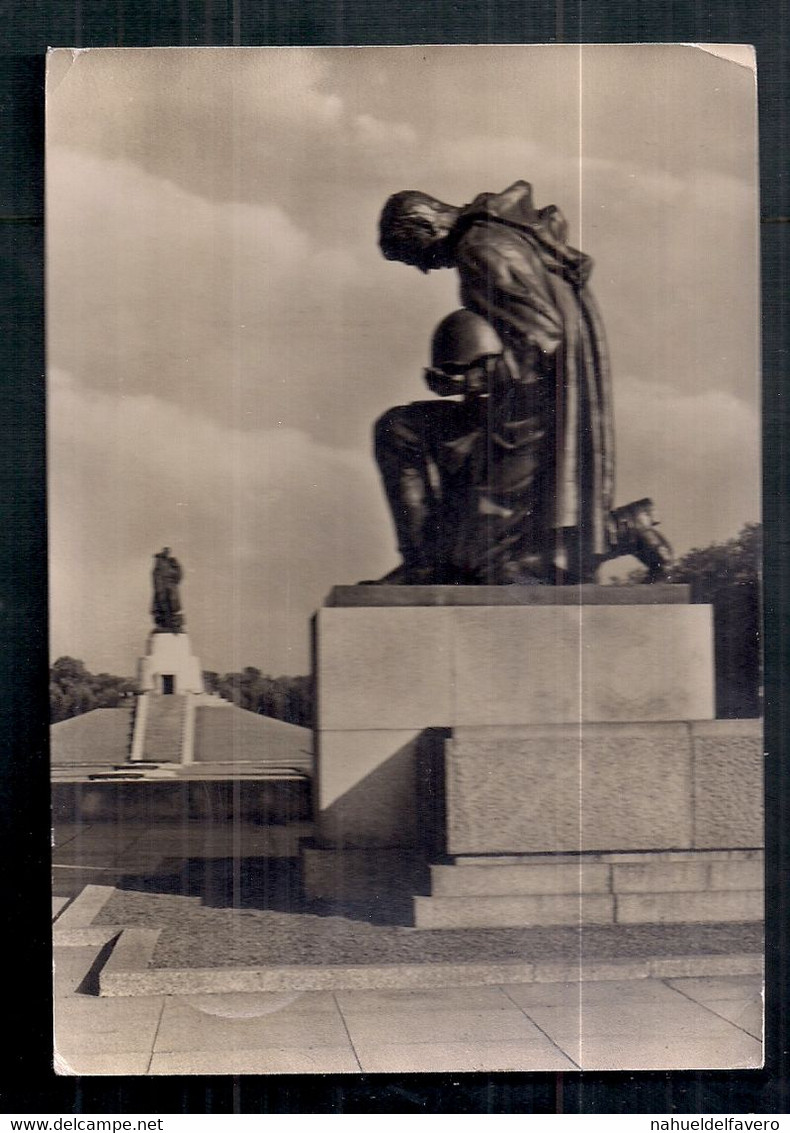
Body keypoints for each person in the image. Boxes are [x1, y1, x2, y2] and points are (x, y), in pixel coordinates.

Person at [376, 180, 672, 584]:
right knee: (400, 430)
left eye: (418, 258)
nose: (428, 268)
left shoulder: (480, 249)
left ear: (426, 228)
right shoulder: (501, 234)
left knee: (485, 569)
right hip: (526, 408)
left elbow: (543, 341)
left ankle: (621, 528)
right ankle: (425, 561)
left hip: (528, 424)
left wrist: (470, 380)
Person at [151, 547, 184, 631]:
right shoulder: (158, 564)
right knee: (161, 607)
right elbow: (155, 576)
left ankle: (174, 625)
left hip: (170, 588)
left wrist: (172, 582)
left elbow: (179, 575)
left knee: (173, 606)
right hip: (161, 589)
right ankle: (164, 624)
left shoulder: (172, 562)